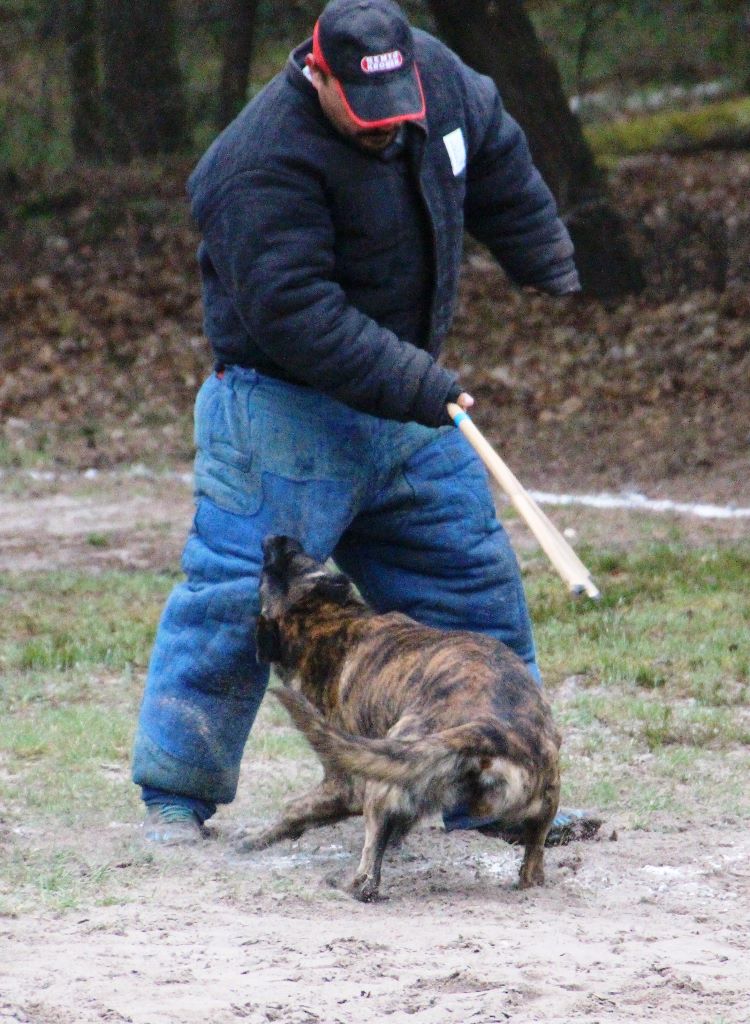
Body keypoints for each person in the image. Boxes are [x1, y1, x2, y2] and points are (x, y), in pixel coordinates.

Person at [132, 0, 601, 847]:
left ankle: (492, 795)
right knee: (237, 602)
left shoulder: (441, 81)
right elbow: (294, 312)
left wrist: (546, 257)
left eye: (400, 113)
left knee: (474, 598)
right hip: (282, 411)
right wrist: (413, 379)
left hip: (410, 409)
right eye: (367, 115)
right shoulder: (255, 164)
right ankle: (176, 794)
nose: (388, 129)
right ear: (320, 76)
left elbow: (493, 156)